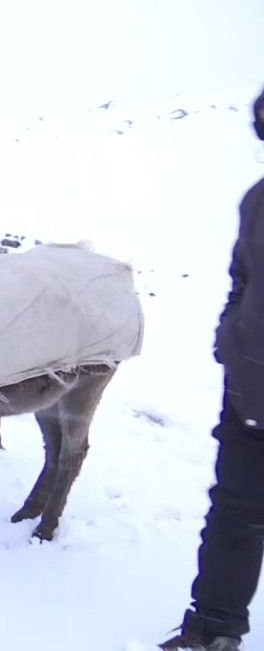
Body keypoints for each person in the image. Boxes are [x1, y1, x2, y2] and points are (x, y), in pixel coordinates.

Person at [160, 87, 264, 650]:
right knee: (233, 515)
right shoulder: (258, 200)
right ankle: (214, 629)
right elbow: (242, 277)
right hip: (252, 389)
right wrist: (231, 336)